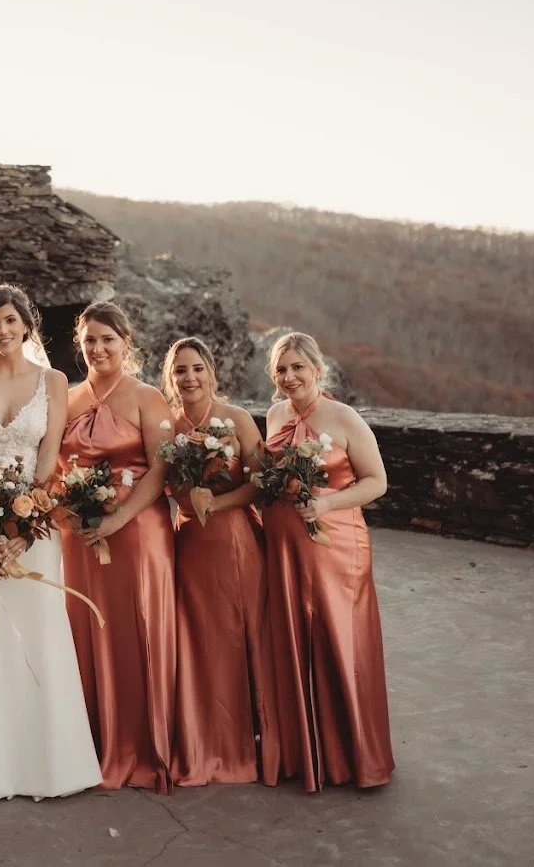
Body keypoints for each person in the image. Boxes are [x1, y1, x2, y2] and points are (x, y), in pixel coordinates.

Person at [0, 284, 102, 804]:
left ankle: (51, 764)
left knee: (40, 635)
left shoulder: (53, 380)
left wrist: (19, 528)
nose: (4, 330)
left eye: (12, 320)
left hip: (33, 530)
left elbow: (50, 460)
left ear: (27, 325)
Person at [261, 331, 394, 791]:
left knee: (339, 639)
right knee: (296, 639)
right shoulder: (274, 414)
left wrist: (326, 505)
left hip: (335, 542)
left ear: (318, 369)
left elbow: (376, 481)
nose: (290, 376)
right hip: (283, 545)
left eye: (299, 367)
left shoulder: (344, 417)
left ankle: (353, 757)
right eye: (282, 369)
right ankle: (305, 753)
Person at [58, 301, 176, 792]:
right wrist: (65, 511)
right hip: (79, 535)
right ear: (79, 345)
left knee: (135, 630)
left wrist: (120, 519)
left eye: (108, 338)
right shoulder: (64, 398)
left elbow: (162, 469)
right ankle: (89, 744)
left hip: (138, 533)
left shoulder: (148, 397)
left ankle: (143, 745)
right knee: (83, 633)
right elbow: (56, 466)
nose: (99, 348)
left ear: (126, 342)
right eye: (90, 340)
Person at [160, 337, 279, 786]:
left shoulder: (239, 419)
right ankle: (204, 739)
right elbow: (161, 485)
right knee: (198, 640)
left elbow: (261, 483)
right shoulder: (167, 426)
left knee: (240, 633)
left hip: (234, 541)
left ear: (211, 372)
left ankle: (252, 741)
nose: (189, 378)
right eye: (180, 371)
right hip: (189, 542)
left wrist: (219, 502)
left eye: (196, 369)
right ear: (170, 379)